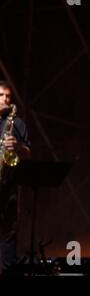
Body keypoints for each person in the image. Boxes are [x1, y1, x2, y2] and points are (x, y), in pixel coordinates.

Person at [0, 80, 31, 275]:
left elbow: (28, 153)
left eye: (8, 96)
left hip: (7, 190)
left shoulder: (17, 123)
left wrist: (18, 147)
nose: (5, 99)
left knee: (7, 242)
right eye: (1, 96)